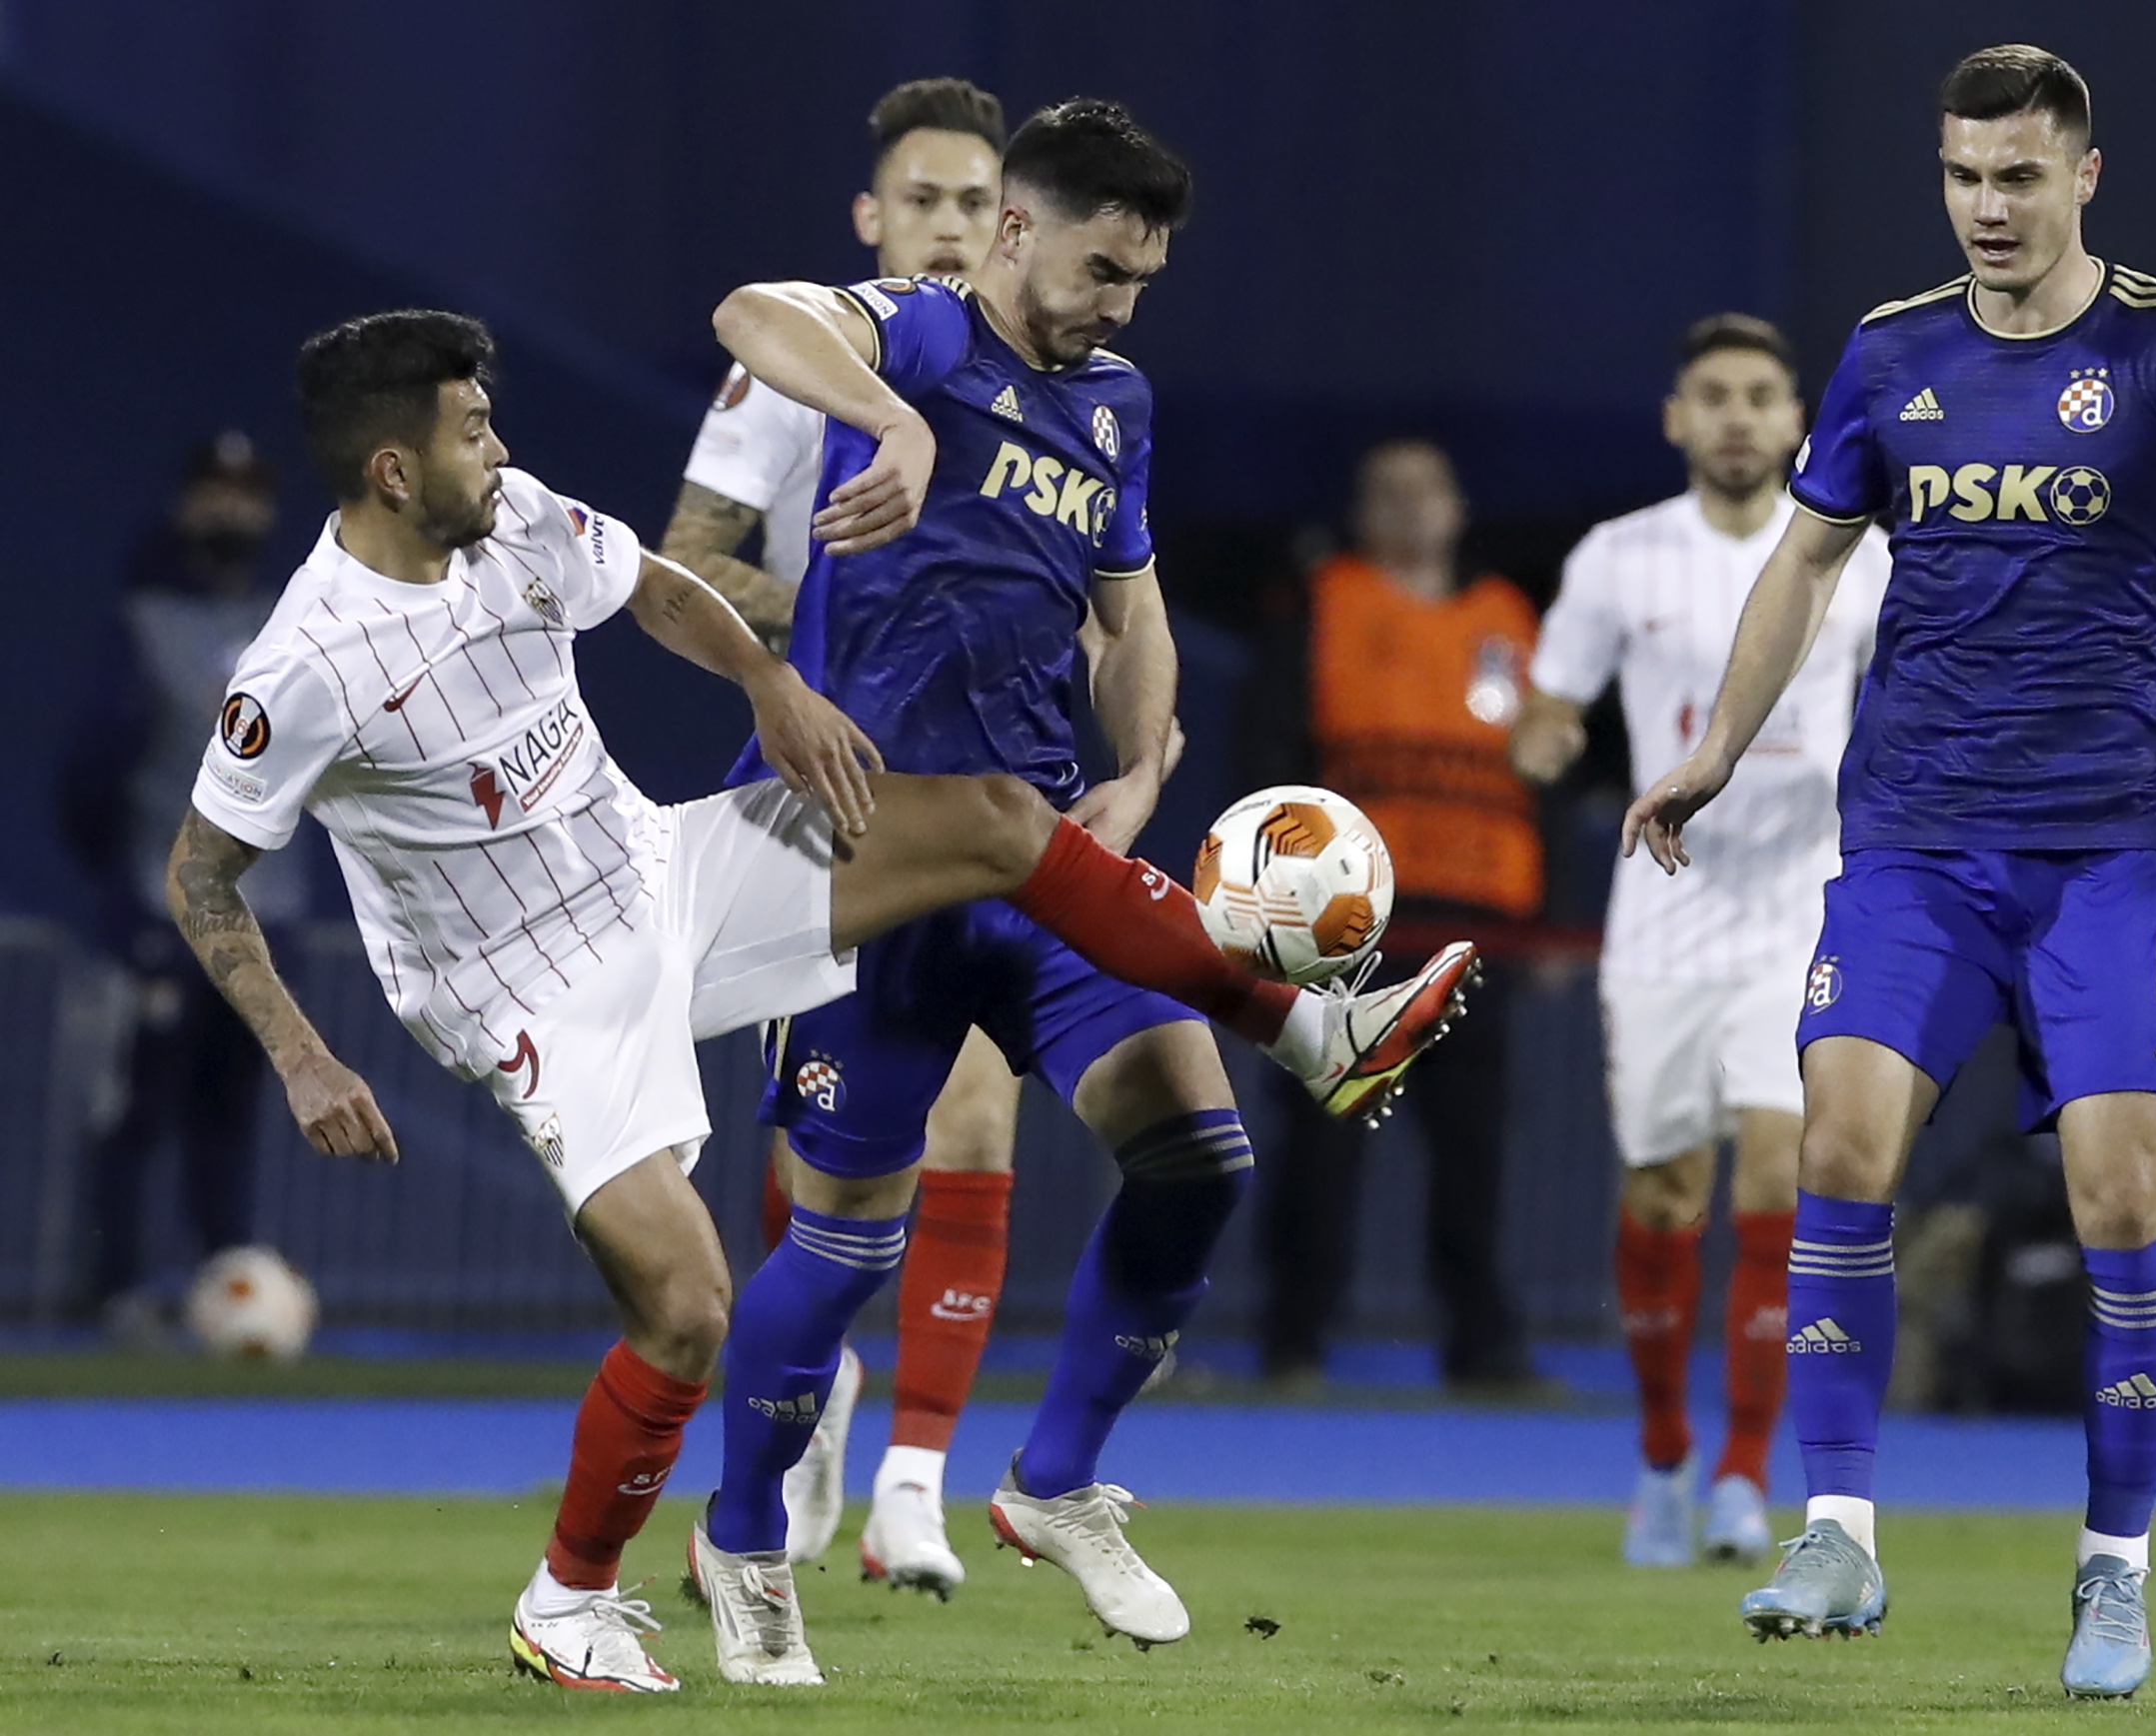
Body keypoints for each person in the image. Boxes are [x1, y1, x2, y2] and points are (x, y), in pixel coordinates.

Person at [169, 309, 1474, 1692]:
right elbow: (200, 877)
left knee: (996, 816)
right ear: (391, 470)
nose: (497, 447)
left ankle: (1304, 1026)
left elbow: (659, 586)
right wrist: (304, 1059)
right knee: (686, 1307)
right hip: (534, 996)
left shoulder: (518, 519)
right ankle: (570, 1598)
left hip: (659, 872)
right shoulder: (307, 667)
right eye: (471, 429)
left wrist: (768, 682)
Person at [687, 98, 1478, 1679]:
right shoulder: (920, 333)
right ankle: (746, 1535)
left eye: (1143, 281)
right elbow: (748, 312)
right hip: (869, 856)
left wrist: (1142, 767)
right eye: (1100, 269)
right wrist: (898, 424)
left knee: (1198, 1156)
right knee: (842, 1247)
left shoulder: (1116, 403)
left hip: (1041, 856)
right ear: (1013, 230)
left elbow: (1130, 612)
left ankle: (1053, 1480)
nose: (1119, 304)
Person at [1621, 45, 2156, 1698]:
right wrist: (1718, 746)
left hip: (2108, 851)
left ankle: (2114, 1573)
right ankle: (1839, 1531)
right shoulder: (1892, 352)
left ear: (2084, 176)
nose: (1988, 206)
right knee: (1838, 1144)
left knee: (2123, 1202)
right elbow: (1805, 566)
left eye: (2018, 175)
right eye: (1962, 175)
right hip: (1916, 840)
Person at [662, 73, 1031, 1586]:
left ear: (1013, 222)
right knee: (828, 1156)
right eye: (922, 199)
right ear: (872, 217)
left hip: (988, 795)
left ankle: (916, 1490)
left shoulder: (1048, 382)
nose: (949, 223)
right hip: (825, 794)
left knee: (978, 1117)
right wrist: (850, 615)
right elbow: (690, 556)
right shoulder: (799, 367)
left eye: (973, 202)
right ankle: (808, 1399)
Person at [1511, 315, 1890, 1567]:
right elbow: (1550, 703)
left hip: (1804, 908)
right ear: (1677, 419)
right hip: (1663, 913)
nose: (1736, 416)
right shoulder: (1620, 558)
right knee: (1665, 1193)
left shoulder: (1864, 558)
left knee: (1783, 1178)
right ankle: (1665, 1456)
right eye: (1713, 395)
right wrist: (1542, 740)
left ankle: (1742, 1477)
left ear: (1797, 422)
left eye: (1759, 395)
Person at [1251, 439, 1545, 1393]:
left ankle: (1482, 1344)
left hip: (1481, 914)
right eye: (1391, 492)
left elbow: (1546, 771)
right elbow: (1269, 751)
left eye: (1429, 490)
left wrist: (1548, 918)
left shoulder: (1508, 619)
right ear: (1360, 511)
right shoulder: (1319, 604)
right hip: (1350, 915)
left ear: (1459, 508)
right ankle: (1294, 1338)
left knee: (1475, 1144)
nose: (1413, 507)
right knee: (1323, 1136)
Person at [58, 433, 309, 1336]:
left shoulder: (295, 621)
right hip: (161, 912)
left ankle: (225, 1293)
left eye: (248, 491)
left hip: (266, 915)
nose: (231, 508)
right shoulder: (146, 620)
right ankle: (114, 1293)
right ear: (185, 500)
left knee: (230, 1114)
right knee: (135, 1108)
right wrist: (128, 885)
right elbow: (90, 773)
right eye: (215, 489)